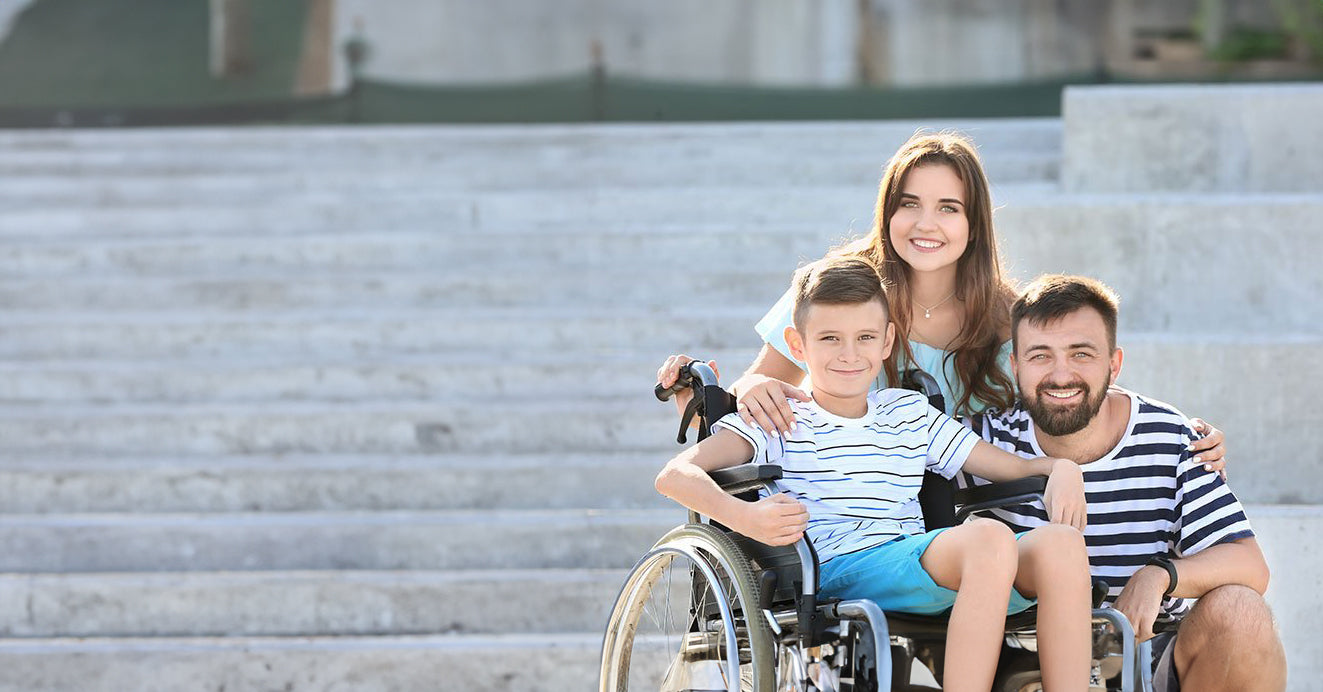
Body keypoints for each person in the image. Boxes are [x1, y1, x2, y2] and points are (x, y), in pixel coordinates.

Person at [656, 131, 1227, 468]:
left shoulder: (1007, 316)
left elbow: (1068, 383)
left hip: (971, 506)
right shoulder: (839, 289)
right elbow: (760, 379)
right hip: (848, 493)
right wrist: (741, 388)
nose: (925, 224)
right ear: (888, 211)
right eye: (910, 204)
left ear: (974, 225)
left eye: (948, 208)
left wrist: (1182, 436)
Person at [655, 257, 1094, 692]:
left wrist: (1063, 467)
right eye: (830, 338)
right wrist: (744, 516)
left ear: (887, 341)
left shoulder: (907, 411)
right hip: (834, 567)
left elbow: (1012, 468)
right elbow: (675, 475)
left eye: (865, 337)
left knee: (1062, 544)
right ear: (798, 344)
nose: (849, 354)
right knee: (989, 538)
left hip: (915, 559)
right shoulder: (778, 418)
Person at [964, 274, 1286, 692]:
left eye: (1081, 354)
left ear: (1114, 364)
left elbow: (1249, 565)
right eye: (1041, 355)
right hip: (1023, 668)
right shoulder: (982, 444)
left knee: (1241, 612)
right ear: (1016, 365)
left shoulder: (1171, 439)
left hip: (1146, 663)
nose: (1061, 375)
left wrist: (1159, 576)